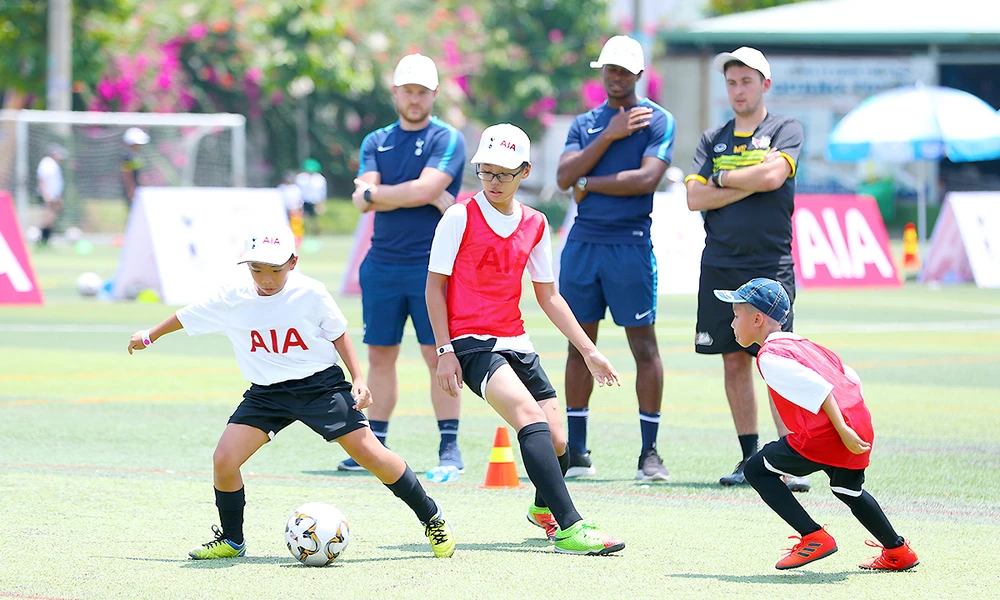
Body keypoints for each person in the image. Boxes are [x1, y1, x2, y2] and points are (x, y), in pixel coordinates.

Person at [125, 226, 456, 560]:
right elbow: (187, 315)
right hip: (266, 394)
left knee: (371, 454)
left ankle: (432, 518)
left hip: (320, 387)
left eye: (275, 270)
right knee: (224, 460)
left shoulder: (310, 293)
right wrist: (150, 335)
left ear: (293, 262)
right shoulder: (232, 296)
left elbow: (338, 333)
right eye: (257, 270)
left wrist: (358, 378)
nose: (266, 278)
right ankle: (232, 539)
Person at [426, 123, 625, 555]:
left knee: (558, 440)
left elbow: (549, 296)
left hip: (517, 341)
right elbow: (434, 288)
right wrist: (445, 351)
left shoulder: (535, 224)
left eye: (504, 174)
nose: (494, 182)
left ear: (524, 172)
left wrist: (590, 352)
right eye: (486, 172)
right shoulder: (459, 216)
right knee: (527, 417)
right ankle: (570, 527)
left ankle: (541, 509)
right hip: (472, 344)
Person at [714, 278, 919, 571]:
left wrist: (842, 430)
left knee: (756, 469)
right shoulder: (804, 344)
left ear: (757, 319)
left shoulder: (771, 356)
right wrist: (850, 425)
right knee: (848, 490)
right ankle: (898, 551)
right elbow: (850, 376)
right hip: (858, 422)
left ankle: (813, 536)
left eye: (736, 316)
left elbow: (819, 387)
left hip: (831, 432)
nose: (732, 323)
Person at [684, 47, 811, 492]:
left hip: (770, 265)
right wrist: (743, 178)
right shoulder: (711, 138)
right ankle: (748, 457)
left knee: (777, 362)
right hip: (720, 263)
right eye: (732, 82)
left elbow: (774, 179)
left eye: (747, 81)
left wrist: (721, 179)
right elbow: (694, 198)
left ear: (765, 85)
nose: (738, 90)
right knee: (734, 362)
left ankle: (787, 457)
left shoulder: (786, 129)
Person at [555, 35, 675, 481]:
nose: (616, 77)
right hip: (583, 245)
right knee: (579, 346)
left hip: (629, 244)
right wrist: (608, 136)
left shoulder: (659, 121)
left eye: (624, 70)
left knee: (643, 346)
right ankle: (578, 451)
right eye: (610, 69)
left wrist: (590, 182)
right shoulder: (587, 123)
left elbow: (646, 179)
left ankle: (649, 454)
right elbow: (564, 176)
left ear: (639, 75)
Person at [345, 53, 467, 473]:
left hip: (432, 266)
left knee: (440, 356)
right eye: (407, 91)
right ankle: (373, 445)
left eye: (422, 92)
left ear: (433, 94)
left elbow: (388, 192)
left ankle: (449, 447)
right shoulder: (376, 140)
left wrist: (385, 194)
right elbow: (363, 200)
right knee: (380, 355)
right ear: (395, 93)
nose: (414, 99)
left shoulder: (446, 138)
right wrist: (416, 191)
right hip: (381, 263)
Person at [36, 144, 67, 245]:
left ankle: (46, 241)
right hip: (47, 197)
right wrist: (46, 196)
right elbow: (42, 181)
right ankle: (42, 241)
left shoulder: (53, 165)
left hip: (53, 197)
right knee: (47, 218)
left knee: (51, 219)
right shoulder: (46, 163)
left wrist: (58, 197)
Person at [121, 127, 149, 214]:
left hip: (138, 190)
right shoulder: (127, 157)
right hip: (132, 190)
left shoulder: (135, 156)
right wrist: (131, 190)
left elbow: (139, 174)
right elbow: (127, 175)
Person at [296, 159, 327, 236]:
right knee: (302, 217)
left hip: (315, 201)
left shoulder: (320, 179)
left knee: (314, 218)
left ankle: (316, 233)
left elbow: (322, 192)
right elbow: (297, 191)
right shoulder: (301, 178)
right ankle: (304, 233)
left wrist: (321, 204)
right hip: (303, 201)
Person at [278, 170, 305, 246]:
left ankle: (297, 242)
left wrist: (300, 209)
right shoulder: (281, 188)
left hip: (294, 210)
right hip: (283, 211)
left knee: (296, 227)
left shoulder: (295, 188)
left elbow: (299, 200)